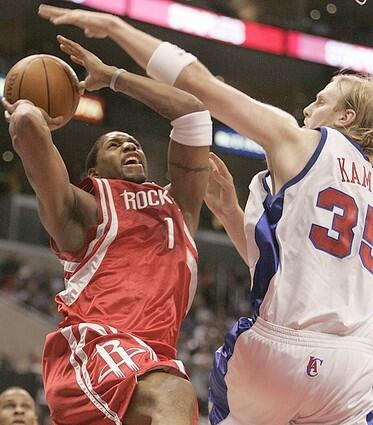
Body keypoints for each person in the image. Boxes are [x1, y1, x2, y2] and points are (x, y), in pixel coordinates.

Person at [37, 4, 373, 425]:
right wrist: (232, 212)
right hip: (355, 373)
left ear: (347, 117)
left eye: (320, 102)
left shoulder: (302, 140)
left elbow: (198, 84)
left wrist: (117, 30)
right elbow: (294, 265)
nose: (308, 111)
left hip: (281, 354)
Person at [2, 32, 212, 425]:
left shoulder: (178, 207)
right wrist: (31, 109)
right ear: (95, 171)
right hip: (94, 347)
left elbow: (193, 114)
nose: (130, 146)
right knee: (174, 391)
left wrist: (114, 76)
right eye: (116, 144)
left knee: (171, 391)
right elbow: (27, 126)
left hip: (150, 359)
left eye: (133, 143)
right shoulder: (86, 206)